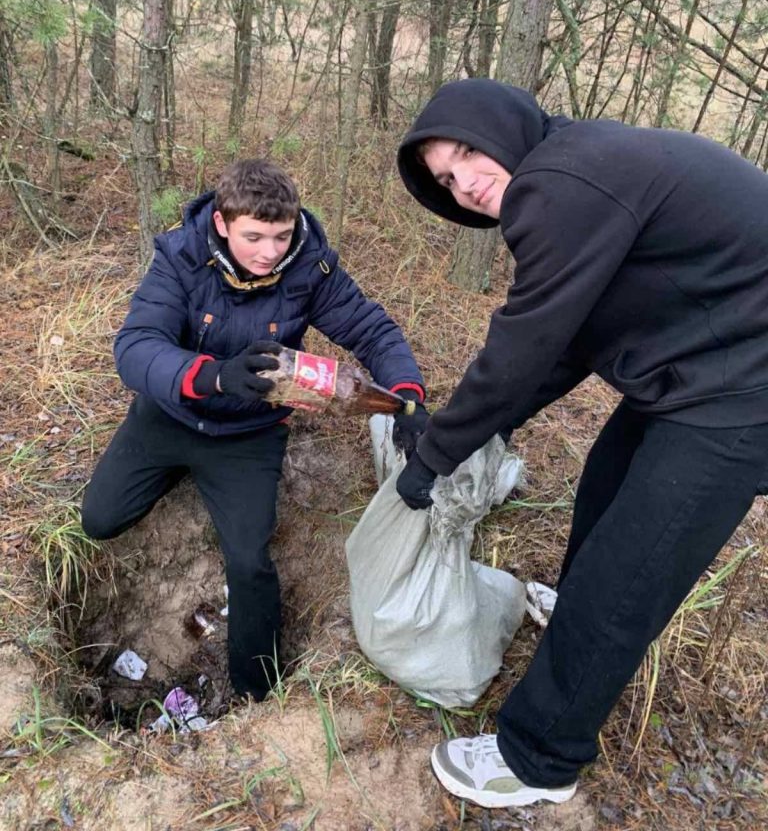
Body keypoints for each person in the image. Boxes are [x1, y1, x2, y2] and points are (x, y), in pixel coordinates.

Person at [395, 77, 768, 809]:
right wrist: (490, 423)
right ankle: (574, 615)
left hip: (744, 392)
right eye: (444, 179)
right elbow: (567, 341)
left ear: (504, 128)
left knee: (628, 573)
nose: (464, 184)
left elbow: (525, 341)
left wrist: (438, 452)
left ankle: (539, 756)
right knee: (606, 484)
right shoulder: (576, 170)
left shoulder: (561, 182)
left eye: (467, 153)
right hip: (705, 363)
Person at [81, 158, 427, 701]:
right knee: (100, 520)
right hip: (170, 414)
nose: (270, 252)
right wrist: (215, 376)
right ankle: (177, 468)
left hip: (249, 434)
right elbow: (136, 348)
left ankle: (256, 689)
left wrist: (408, 396)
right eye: (254, 237)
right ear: (222, 224)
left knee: (248, 560)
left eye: (281, 236)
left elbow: (372, 330)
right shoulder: (181, 257)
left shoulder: (309, 267)